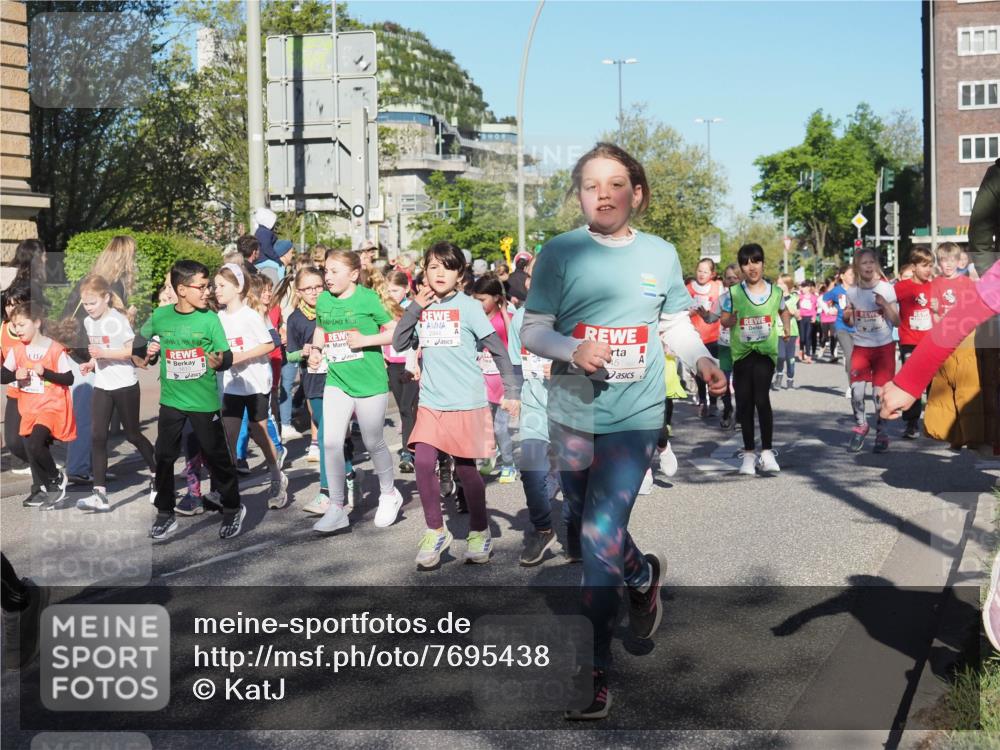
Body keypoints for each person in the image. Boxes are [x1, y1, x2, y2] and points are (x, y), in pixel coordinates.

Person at [520, 143, 725, 720]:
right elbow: (531, 331)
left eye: (615, 184)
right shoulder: (560, 253)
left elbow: (673, 322)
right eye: (590, 185)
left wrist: (701, 362)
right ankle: (641, 576)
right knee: (586, 532)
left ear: (637, 194)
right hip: (571, 402)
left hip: (635, 413)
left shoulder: (659, 254)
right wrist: (570, 348)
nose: (603, 194)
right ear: (579, 195)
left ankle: (594, 674)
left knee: (601, 530)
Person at [392, 242, 520, 570]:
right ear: (424, 270)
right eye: (433, 266)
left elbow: (499, 350)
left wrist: (511, 391)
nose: (439, 273)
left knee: (465, 470)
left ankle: (480, 530)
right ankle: (435, 530)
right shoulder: (420, 307)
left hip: (467, 401)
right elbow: (399, 342)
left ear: (459, 274)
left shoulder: (469, 307)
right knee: (422, 462)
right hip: (432, 401)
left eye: (447, 267)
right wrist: (414, 308)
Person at [140, 260, 246, 540]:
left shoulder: (209, 319)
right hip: (172, 401)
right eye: (201, 286)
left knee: (217, 457)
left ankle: (233, 507)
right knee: (163, 455)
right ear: (182, 289)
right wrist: (148, 352)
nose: (207, 291)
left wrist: (220, 361)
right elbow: (139, 348)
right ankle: (165, 513)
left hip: (204, 403)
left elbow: (227, 357)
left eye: (208, 285)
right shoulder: (161, 316)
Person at [308, 249, 403, 534]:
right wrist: (315, 350)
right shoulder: (324, 300)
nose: (328, 277)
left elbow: (396, 331)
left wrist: (365, 340)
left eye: (334, 271)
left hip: (370, 382)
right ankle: (337, 507)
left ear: (353, 274)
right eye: (326, 271)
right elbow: (321, 330)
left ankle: (389, 493)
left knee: (374, 441)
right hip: (337, 380)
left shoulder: (368, 298)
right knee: (331, 443)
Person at [61, 235, 140, 486]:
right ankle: (80, 468)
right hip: (94, 356)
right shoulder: (113, 287)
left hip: (76, 352)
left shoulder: (88, 280)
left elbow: (67, 313)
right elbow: (116, 329)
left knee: (87, 415)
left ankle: (86, 466)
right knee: (91, 418)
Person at [74, 275, 156, 511]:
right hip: (103, 384)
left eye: (92, 303)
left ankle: (157, 471)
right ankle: (99, 494)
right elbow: (98, 351)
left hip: (125, 384)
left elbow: (132, 350)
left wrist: (102, 354)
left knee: (132, 435)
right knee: (98, 437)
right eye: (85, 304)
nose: (88, 308)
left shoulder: (117, 320)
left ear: (106, 298)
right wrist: (91, 362)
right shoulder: (89, 322)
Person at [214, 264, 289, 509]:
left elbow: (269, 344)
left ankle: (276, 474)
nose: (216, 290)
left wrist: (241, 356)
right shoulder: (219, 317)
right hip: (232, 384)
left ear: (238, 287)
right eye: (215, 286)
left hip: (256, 382)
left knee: (258, 431)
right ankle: (223, 489)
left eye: (221, 286)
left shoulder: (250, 315)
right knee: (228, 436)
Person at [507, 254, 560, 565]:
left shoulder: (571, 315)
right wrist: (513, 394)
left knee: (579, 477)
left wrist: (568, 368)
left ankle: (579, 531)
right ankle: (542, 529)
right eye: (534, 277)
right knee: (530, 469)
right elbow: (515, 363)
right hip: (534, 403)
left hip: (571, 402)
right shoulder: (519, 318)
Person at [721, 243, 791, 476]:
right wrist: (729, 321)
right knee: (743, 402)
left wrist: (787, 327)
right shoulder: (733, 293)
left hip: (764, 353)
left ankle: (768, 452)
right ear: (741, 267)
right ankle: (749, 455)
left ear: (762, 263)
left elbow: (784, 310)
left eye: (756, 261)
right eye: (746, 263)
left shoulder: (776, 292)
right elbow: (723, 319)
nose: (751, 267)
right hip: (741, 353)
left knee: (761, 397)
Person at [1, 303, 76, 509]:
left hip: (52, 406)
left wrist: (46, 373)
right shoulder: (17, 351)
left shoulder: (54, 348)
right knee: (28, 446)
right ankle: (48, 486)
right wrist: (14, 374)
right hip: (29, 408)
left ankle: (55, 479)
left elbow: (69, 378)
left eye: (22, 325)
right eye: (15, 326)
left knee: (34, 444)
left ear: (36, 322)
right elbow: (2, 375)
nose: (18, 330)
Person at [922, 242, 983, 448]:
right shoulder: (935, 284)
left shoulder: (967, 283)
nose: (947, 265)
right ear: (938, 263)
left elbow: (975, 310)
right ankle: (953, 435)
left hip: (966, 339)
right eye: (943, 261)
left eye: (951, 260)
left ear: (959, 261)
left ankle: (972, 435)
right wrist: (938, 312)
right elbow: (935, 316)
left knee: (968, 386)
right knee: (946, 389)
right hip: (945, 339)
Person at [841, 248, 900, 453]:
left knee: (878, 395)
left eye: (871, 262)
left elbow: (897, 320)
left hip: (883, 347)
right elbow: (848, 319)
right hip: (861, 347)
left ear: (876, 265)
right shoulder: (852, 292)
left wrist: (884, 305)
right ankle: (861, 425)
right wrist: (847, 314)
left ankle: (881, 432)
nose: (868, 266)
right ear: (857, 267)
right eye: (864, 263)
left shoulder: (886, 289)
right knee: (857, 392)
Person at [472, 274, 517, 482]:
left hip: (503, 382)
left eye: (482, 300)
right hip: (484, 381)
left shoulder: (505, 317)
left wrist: (505, 311)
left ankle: (509, 464)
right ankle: (491, 458)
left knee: (500, 427)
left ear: (496, 298)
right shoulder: (476, 318)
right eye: (476, 299)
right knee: (485, 427)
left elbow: (513, 339)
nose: (478, 304)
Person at [892, 247, 935, 439]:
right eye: (924, 265)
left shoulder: (934, 287)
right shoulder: (902, 287)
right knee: (912, 383)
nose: (928, 270)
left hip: (931, 342)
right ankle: (911, 422)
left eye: (931, 266)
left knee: (933, 383)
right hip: (909, 340)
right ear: (914, 266)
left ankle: (934, 421)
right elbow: (886, 302)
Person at [383, 270, 420, 474]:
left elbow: (420, 337)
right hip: (393, 364)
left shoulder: (413, 308)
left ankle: (408, 451)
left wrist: (415, 362)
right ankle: (413, 448)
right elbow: (380, 333)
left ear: (406, 289)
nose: (392, 294)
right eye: (388, 290)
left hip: (412, 363)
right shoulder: (384, 310)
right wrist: (382, 356)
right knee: (404, 409)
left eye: (395, 290)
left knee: (409, 407)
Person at [2, 284, 32, 474]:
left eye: (16, 304)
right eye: (8, 304)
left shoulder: (35, 328)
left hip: (37, 392)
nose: (11, 309)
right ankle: (27, 461)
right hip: (14, 391)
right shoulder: (2, 329)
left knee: (39, 434)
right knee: (12, 440)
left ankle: (41, 463)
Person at [822, 266, 856, 396]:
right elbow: (822, 299)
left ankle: (857, 383)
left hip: (858, 328)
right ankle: (851, 386)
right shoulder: (836, 290)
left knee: (858, 359)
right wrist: (828, 310)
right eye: (850, 274)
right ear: (842, 276)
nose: (853, 276)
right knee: (850, 355)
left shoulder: (858, 289)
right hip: (842, 327)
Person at [773, 274, 800, 390]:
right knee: (780, 356)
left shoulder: (795, 298)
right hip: (778, 331)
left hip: (791, 331)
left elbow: (799, 316)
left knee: (790, 358)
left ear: (788, 285)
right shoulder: (774, 298)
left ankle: (790, 379)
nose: (779, 286)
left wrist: (795, 313)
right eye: (778, 283)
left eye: (782, 284)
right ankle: (779, 373)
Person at [797, 279, 817, 363]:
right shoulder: (799, 297)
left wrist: (814, 317)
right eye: (802, 287)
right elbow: (797, 307)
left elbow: (814, 309)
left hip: (809, 319)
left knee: (808, 337)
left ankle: (808, 356)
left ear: (809, 287)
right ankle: (801, 350)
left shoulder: (813, 297)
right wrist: (798, 315)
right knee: (802, 338)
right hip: (801, 318)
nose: (802, 289)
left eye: (804, 287)